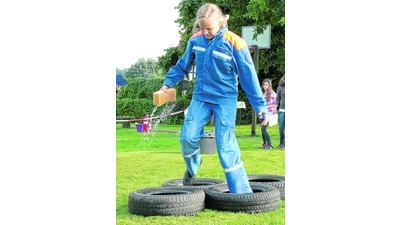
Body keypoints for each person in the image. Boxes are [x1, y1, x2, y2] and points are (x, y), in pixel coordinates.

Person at [158, 3, 269, 194]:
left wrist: (260, 106)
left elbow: (249, 78)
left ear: (221, 22)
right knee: (187, 137)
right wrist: (167, 84)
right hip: (201, 97)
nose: (205, 32)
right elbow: (182, 66)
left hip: (225, 99)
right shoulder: (195, 40)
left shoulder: (235, 43)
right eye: (202, 28)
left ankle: (241, 193)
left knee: (225, 146)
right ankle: (192, 168)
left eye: (209, 28)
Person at [259, 79, 277, 149]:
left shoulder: (273, 94)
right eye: (264, 85)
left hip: (268, 113)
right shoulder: (262, 93)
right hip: (262, 113)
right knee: (262, 129)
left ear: (269, 85)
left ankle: (269, 144)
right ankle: (264, 143)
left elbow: (275, 104)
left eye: (266, 85)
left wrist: (269, 106)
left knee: (264, 129)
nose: (265, 86)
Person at [274, 75, 285, 150]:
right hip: (282, 110)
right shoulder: (280, 88)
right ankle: (281, 143)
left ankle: (285, 144)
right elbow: (277, 99)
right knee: (281, 128)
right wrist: (275, 107)